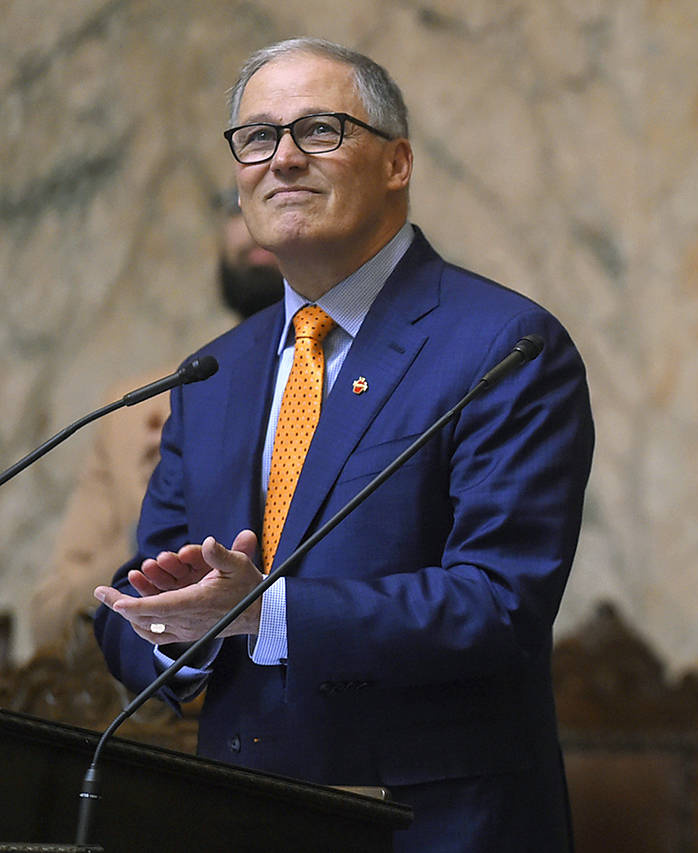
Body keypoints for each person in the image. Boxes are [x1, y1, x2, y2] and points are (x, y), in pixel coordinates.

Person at [93, 38, 593, 852]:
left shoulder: (503, 346)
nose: (282, 158)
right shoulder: (215, 371)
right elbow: (147, 594)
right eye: (257, 138)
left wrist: (265, 612)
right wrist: (167, 625)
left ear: (397, 162)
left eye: (319, 130)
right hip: (235, 808)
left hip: (430, 821)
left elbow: (500, 602)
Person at [30, 193, 282, 654]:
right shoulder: (152, 407)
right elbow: (49, 618)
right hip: (171, 706)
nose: (251, 219)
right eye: (236, 202)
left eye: (278, 192)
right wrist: (158, 522)